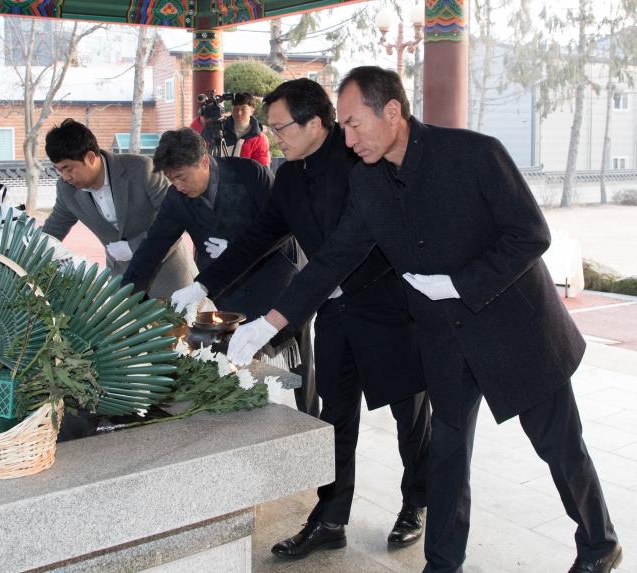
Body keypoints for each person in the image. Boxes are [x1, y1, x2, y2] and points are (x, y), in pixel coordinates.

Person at [227, 66, 623, 573]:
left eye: (353, 125)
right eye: (341, 128)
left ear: (392, 111)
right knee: (448, 455)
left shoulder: (475, 154)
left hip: (515, 330)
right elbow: (333, 259)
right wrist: (269, 322)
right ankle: (442, 564)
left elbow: (530, 235)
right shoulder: (367, 182)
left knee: (558, 447)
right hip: (443, 335)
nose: (346, 140)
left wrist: (459, 283)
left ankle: (599, 542)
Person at [170, 78, 430, 559]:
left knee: (408, 413)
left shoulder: (360, 159)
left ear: (314, 122)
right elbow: (257, 238)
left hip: (386, 308)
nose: (273, 139)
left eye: (281, 128)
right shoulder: (289, 176)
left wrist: (279, 313)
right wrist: (206, 283)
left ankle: (417, 501)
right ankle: (330, 515)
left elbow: (367, 240)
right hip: (332, 310)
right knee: (335, 417)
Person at [123, 127, 318, 417]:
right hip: (229, 292)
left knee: (300, 361)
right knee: (241, 364)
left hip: (277, 281)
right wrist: (125, 300)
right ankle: (252, 425)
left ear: (203, 162)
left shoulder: (250, 174)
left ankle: (312, 418)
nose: (176, 185)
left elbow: (284, 226)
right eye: (170, 178)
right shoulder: (177, 199)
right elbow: (152, 248)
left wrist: (237, 247)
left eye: (181, 176)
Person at [42, 119, 195, 298]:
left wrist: (134, 247)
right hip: (123, 284)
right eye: (59, 170)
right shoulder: (66, 189)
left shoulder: (141, 169)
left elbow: (176, 219)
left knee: (183, 325)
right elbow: (53, 230)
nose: (65, 177)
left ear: (91, 157)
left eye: (68, 168)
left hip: (169, 274)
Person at [221, 92, 270, 166]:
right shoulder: (220, 131)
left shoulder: (260, 139)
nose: (239, 113)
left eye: (243, 109)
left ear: (252, 111)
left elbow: (261, 170)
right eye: (235, 108)